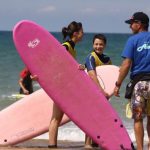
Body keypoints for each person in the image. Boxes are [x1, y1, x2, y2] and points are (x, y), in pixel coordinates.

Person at [114, 12, 150, 150]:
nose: (130, 27)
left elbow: (126, 64)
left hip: (140, 84)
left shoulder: (133, 40)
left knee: (139, 118)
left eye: (132, 23)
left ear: (139, 24)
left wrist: (118, 84)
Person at [48, 21, 84, 148]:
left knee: (58, 117)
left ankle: (53, 145)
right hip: (60, 87)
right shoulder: (66, 46)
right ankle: (52, 146)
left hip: (65, 87)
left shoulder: (72, 48)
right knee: (56, 118)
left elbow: (67, 66)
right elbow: (54, 60)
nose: (83, 34)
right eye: (81, 32)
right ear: (76, 33)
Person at [85, 34, 112, 148]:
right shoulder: (90, 57)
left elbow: (110, 76)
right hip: (91, 92)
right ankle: (87, 143)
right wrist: (101, 91)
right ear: (93, 45)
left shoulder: (107, 59)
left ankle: (96, 141)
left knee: (101, 117)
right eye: (96, 44)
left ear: (104, 45)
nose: (98, 46)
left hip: (103, 94)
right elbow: (92, 75)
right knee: (91, 117)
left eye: (101, 44)